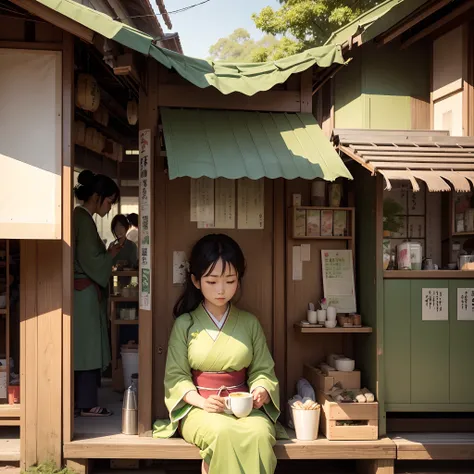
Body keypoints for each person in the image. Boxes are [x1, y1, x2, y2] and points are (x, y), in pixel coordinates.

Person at [154, 234, 280, 474]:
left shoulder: (249, 323)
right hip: (200, 409)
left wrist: (261, 390)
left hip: (244, 410)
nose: (221, 290)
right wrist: (203, 402)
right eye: (212, 281)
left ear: (239, 280)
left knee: (260, 434)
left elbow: (263, 369)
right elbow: (176, 378)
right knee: (222, 433)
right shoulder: (185, 324)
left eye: (230, 280)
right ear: (196, 280)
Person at [73, 169, 121, 417]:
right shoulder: (82, 218)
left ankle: (82, 401)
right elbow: (92, 260)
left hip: (82, 292)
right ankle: (87, 402)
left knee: (83, 347)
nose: (110, 208)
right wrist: (110, 255)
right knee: (87, 348)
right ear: (97, 197)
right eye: (110, 201)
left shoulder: (81, 217)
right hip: (84, 294)